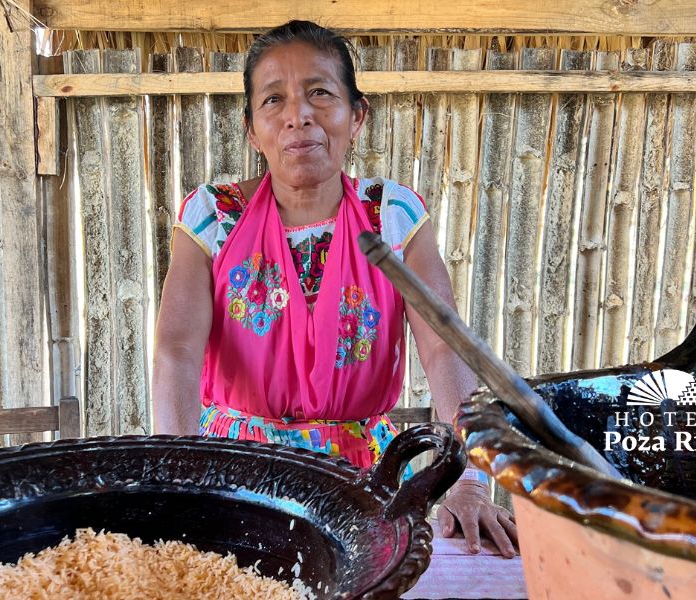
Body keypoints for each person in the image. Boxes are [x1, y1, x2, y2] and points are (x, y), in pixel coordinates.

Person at [153, 20, 517, 558]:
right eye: (273, 99)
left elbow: (443, 346)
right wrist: (184, 481)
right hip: (233, 473)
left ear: (356, 115)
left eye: (320, 93)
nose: (298, 114)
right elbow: (176, 350)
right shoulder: (213, 217)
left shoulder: (391, 215)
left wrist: (465, 482)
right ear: (252, 129)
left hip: (362, 483)